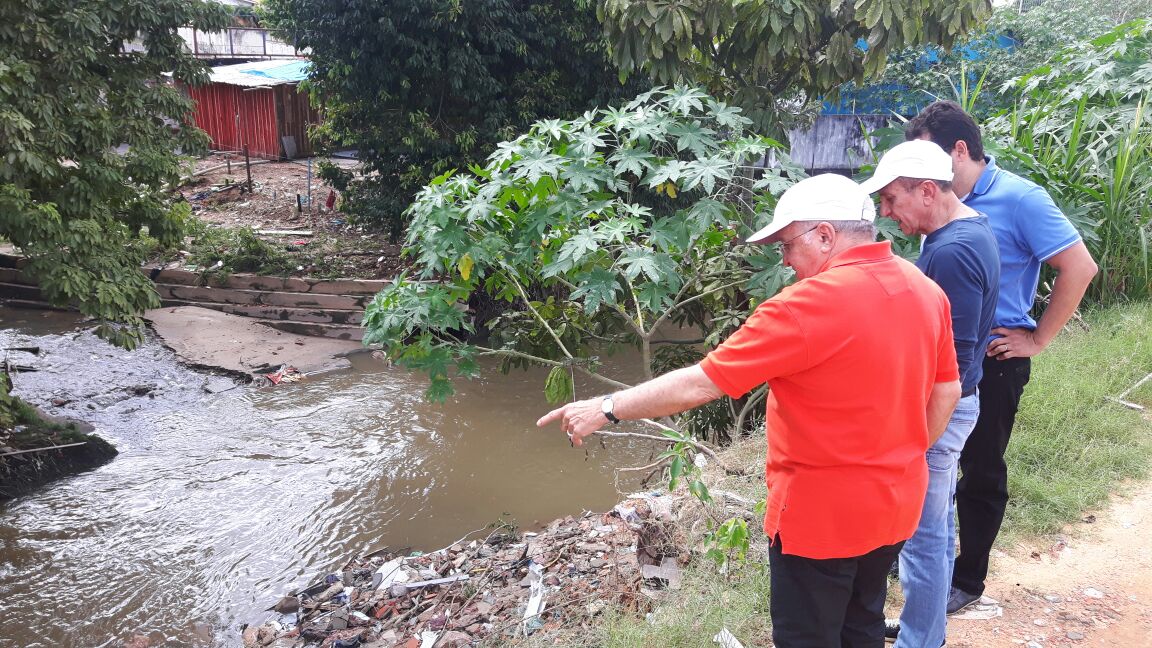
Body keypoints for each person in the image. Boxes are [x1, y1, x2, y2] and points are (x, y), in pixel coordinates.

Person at [537, 173, 962, 648]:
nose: (783, 260)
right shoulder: (924, 289)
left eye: (786, 244)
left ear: (825, 236)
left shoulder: (804, 306)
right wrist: (900, 455)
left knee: (810, 636)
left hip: (821, 519)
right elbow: (947, 390)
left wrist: (607, 406)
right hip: (897, 503)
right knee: (861, 621)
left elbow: (703, 382)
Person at [904, 101, 1099, 614]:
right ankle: (926, 568)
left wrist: (1037, 339)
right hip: (942, 359)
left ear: (960, 150)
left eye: (927, 158)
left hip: (994, 357)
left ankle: (967, 580)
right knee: (930, 463)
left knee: (981, 468)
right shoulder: (938, 203)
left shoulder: (1019, 198)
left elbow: (1079, 266)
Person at [859, 140, 1000, 647]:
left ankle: (920, 639)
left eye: (892, 199)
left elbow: (954, 365)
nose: (886, 212)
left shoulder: (954, 251)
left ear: (925, 191)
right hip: (956, 406)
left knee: (921, 533)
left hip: (942, 411)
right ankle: (928, 625)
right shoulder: (966, 229)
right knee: (935, 524)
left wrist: (916, 432)